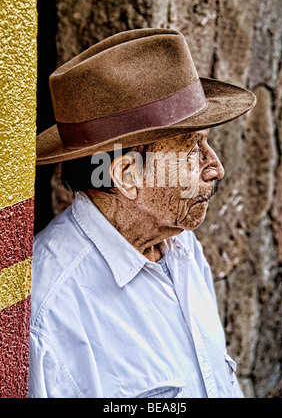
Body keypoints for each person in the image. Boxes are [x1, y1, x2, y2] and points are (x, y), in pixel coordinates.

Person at [28, 28, 256, 398]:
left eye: (207, 142)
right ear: (126, 176)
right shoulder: (49, 308)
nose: (215, 168)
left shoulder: (182, 247)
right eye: (191, 147)